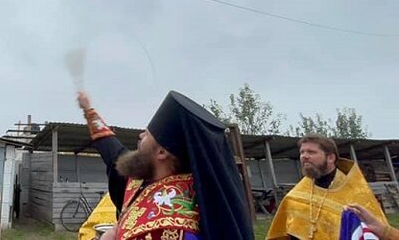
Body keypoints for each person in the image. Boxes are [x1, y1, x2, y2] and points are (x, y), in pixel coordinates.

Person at [77, 90, 253, 239]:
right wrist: (88, 110)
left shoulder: (172, 228)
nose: (140, 136)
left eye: (146, 135)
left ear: (162, 152)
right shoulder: (141, 180)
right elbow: (111, 148)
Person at [267, 134, 387, 240]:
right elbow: (282, 234)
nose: (304, 156)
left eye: (311, 152)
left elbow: (375, 232)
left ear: (330, 158)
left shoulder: (357, 193)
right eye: (302, 152)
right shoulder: (294, 196)